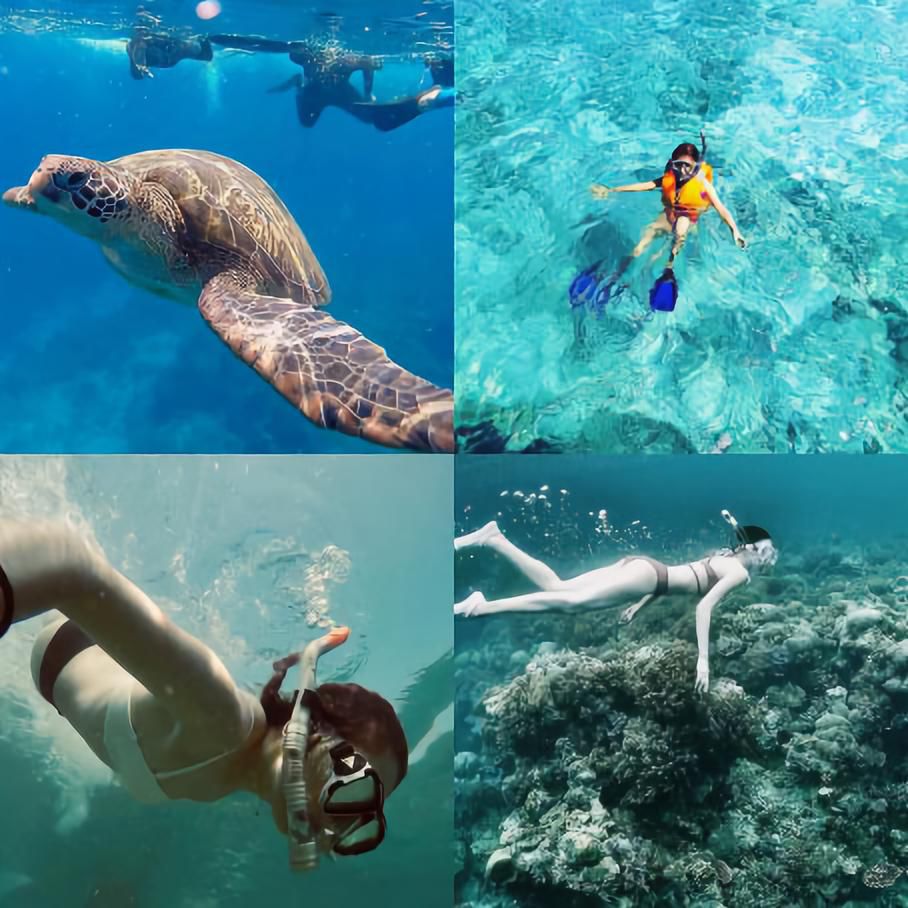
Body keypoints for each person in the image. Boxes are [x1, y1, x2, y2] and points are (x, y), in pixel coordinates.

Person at [0, 521, 407, 869]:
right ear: (312, 729)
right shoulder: (223, 721)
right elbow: (68, 560)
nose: (336, 825)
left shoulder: (236, 774)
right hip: (70, 636)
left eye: (361, 821)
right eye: (357, 788)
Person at [454, 509, 777, 693]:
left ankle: (494, 538)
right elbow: (703, 605)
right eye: (766, 552)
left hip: (643, 569)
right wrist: (703, 660)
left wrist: (639, 605)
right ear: (751, 550)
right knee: (572, 604)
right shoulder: (738, 573)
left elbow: (677, 579)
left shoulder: (724, 558)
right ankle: (479, 608)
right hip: (647, 577)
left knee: (558, 586)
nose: (768, 560)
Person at [574, 134, 746, 313]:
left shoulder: (703, 184)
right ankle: (614, 277)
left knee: (679, 231)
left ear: (695, 166)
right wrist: (612, 190)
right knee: (638, 249)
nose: (682, 170)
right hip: (667, 216)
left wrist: (735, 231)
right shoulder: (670, 178)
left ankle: (669, 266)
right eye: (678, 164)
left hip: (688, 218)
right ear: (672, 164)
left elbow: (721, 208)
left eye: (687, 166)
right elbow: (645, 185)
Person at [127, 25, 214, 80]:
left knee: (204, 55)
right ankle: (205, 40)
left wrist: (141, 66)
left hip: (168, 56)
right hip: (168, 57)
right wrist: (141, 66)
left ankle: (205, 41)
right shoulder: (134, 45)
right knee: (202, 53)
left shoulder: (132, 46)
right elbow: (140, 46)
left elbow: (140, 46)